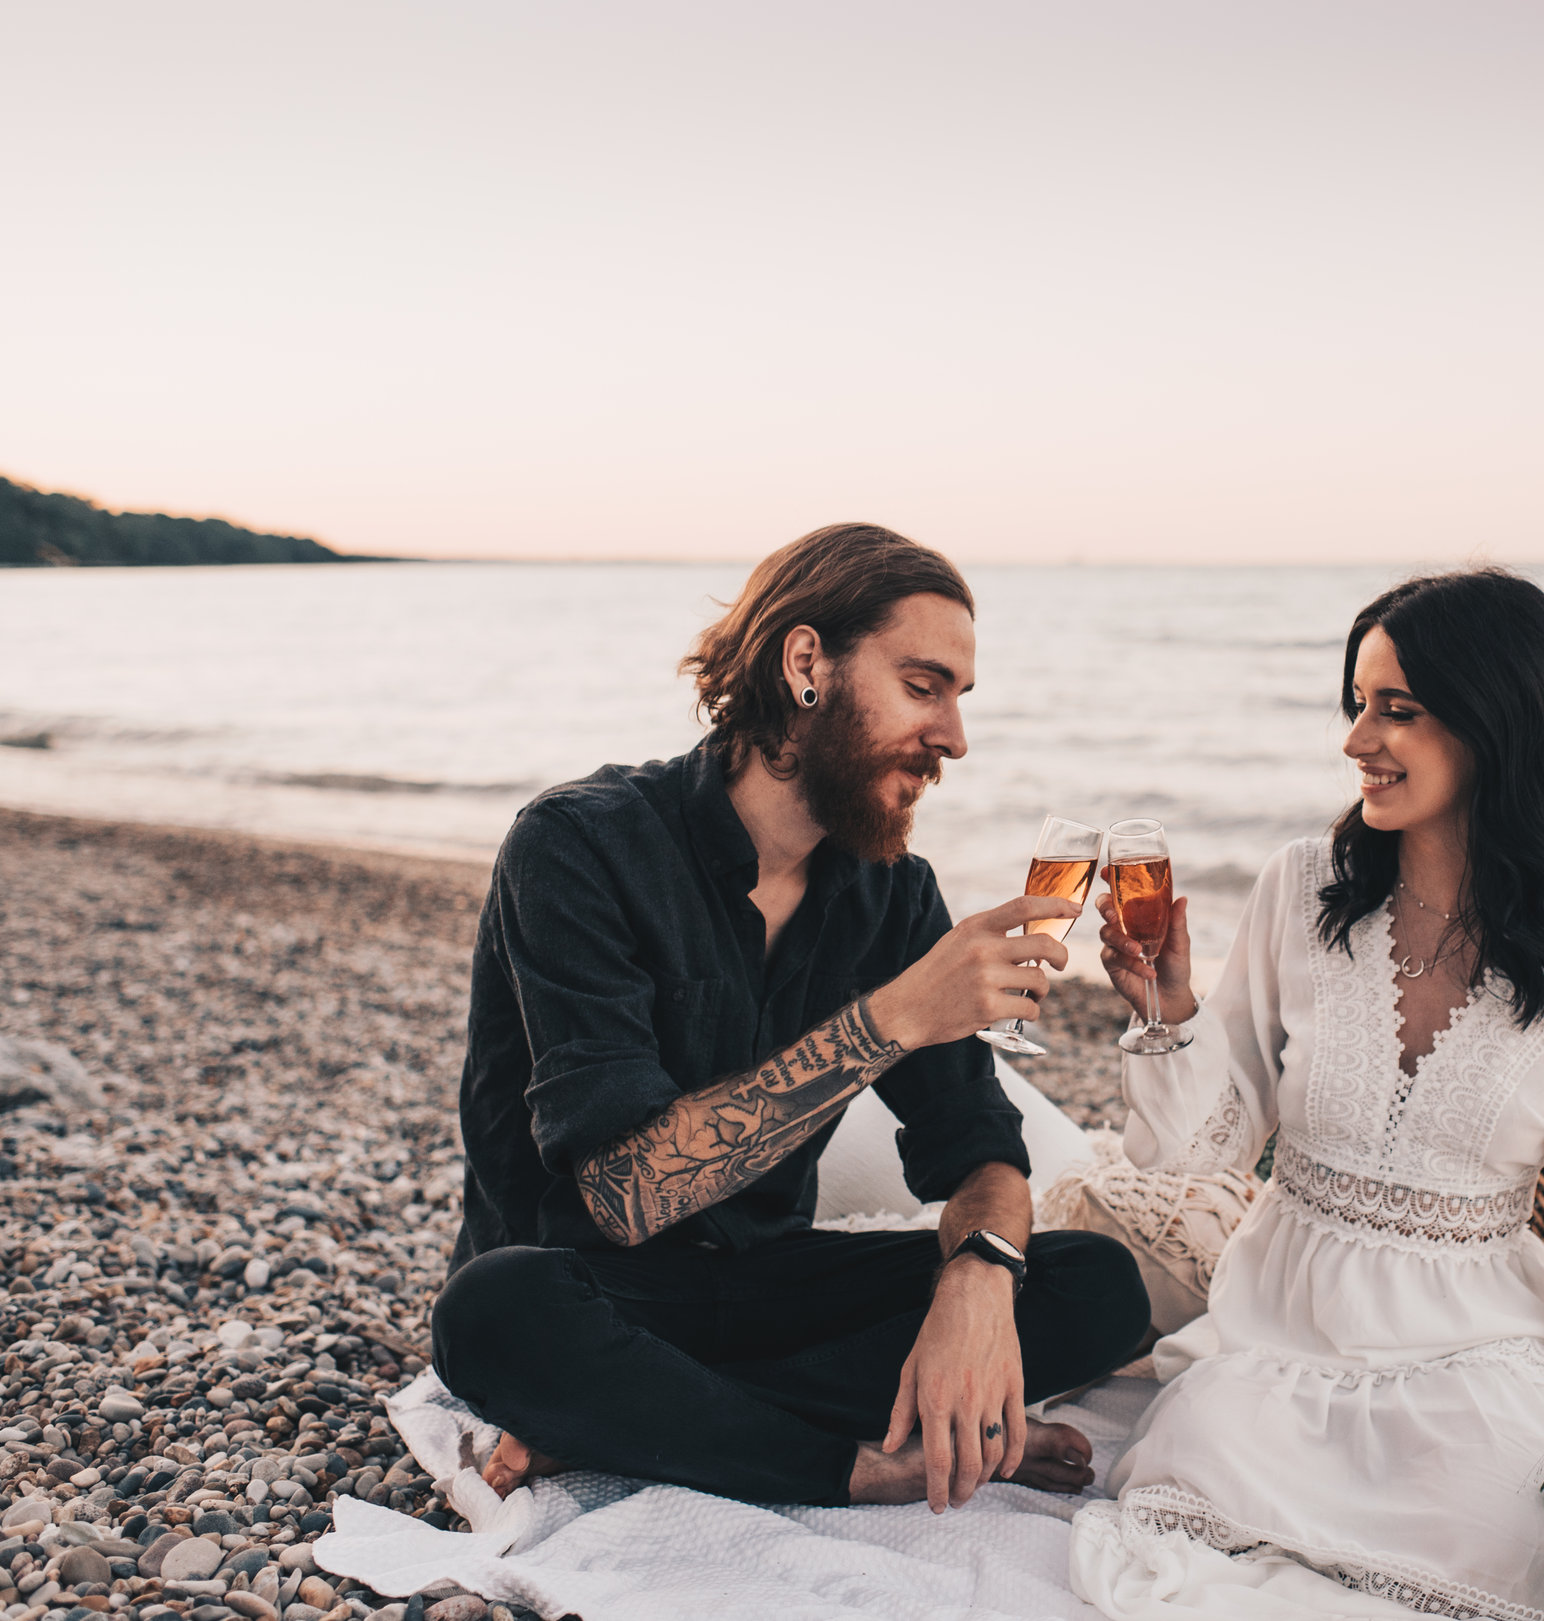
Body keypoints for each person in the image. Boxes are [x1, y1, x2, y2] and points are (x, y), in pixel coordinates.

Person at [429, 523, 1152, 1514]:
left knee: (1096, 1284)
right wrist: (889, 1018)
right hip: (592, 1284)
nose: (953, 737)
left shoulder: (891, 894)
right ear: (807, 663)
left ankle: (639, 1425)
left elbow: (980, 1147)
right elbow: (625, 1195)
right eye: (923, 686)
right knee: (493, 1315)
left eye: (958, 697)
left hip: (768, 1286)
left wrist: (978, 1279)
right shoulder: (578, 847)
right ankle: (859, 1461)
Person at [1068, 570, 1544, 1620]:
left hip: (1470, 1350)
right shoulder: (1302, 888)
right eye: (1356, 703)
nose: (1357, 739)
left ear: (1497, 721)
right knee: (1203, 1451)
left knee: (1539, 1531)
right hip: (1279, 1342)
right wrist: (1170, 1011)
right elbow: (1203, 1141)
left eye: (1397, 709)